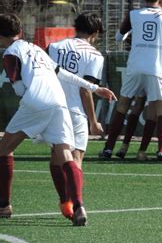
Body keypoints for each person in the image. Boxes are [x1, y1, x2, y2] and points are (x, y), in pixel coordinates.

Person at [0, 13, 116, 225]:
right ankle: (79, 206)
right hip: (59, 100)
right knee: (66, 155)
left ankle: (5, 205)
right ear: (20, 32)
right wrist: (95, 87)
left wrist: (31, 103)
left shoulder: (10, 53)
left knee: (4, 149)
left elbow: (18, 89)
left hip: (37, 101)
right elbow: (62, 73)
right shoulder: (35, 48)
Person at [99, 0, 162, 162]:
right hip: (155, 68)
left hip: (134, 66)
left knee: (123, 105)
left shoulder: (133, 14)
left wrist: (133, 31)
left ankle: (108, 148)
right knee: (160, 109)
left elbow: (118, 37)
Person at [47, 12, 105, 220]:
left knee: (57, 158)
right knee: (76, 158)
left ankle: (65, 202)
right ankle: (79, 205)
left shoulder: (54, 47)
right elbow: (85, 89)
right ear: (95, 33)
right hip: (75, 111)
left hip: (53, 108)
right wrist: (93, 121)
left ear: (75, 28)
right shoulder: (95, 55)